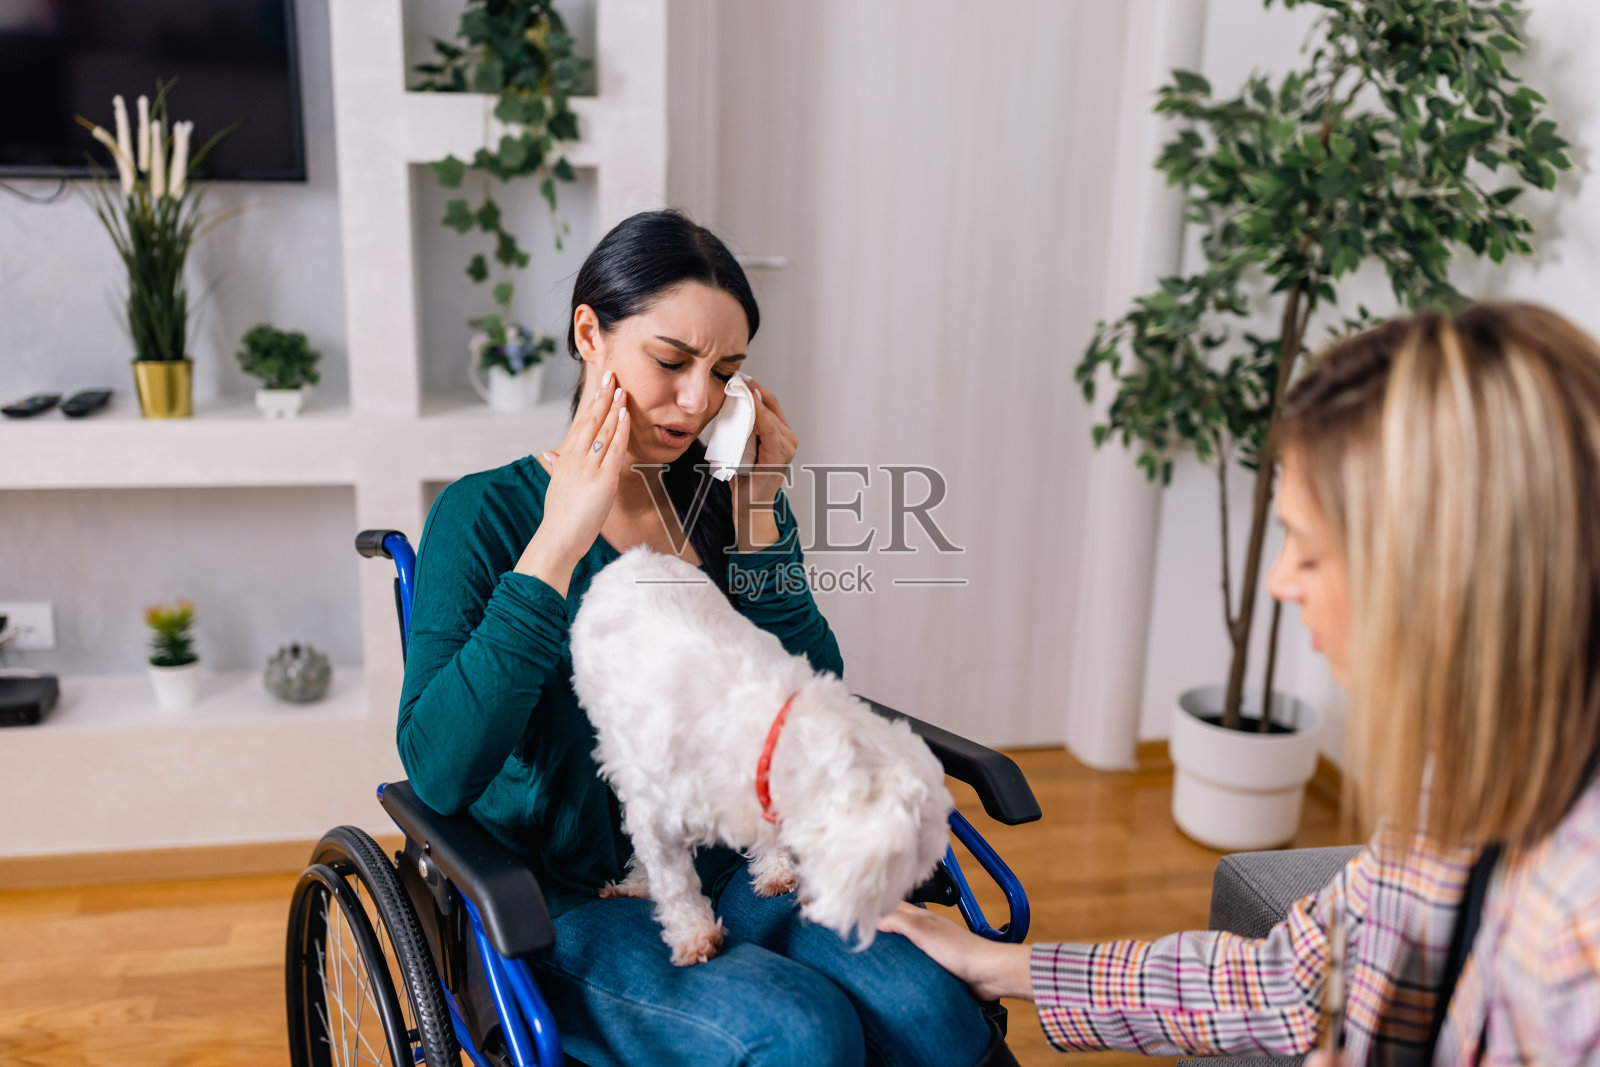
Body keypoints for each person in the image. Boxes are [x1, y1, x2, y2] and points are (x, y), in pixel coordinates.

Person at [882, 302, 1600, 1064]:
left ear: (1443, 576)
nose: (1281, 580)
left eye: (1311, 550)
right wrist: (996, 963)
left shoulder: (1571, 929)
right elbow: (1297, 980)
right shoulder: (1466, 787)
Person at [397, 209, 1006, 1067]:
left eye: (725, 372)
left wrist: (758, 517)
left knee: (936, 1015)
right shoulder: (484, 513)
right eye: (672, 362)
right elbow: (439, 769)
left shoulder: (725, 501)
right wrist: (556, 547)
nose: (698, 401)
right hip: (569, 903)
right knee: (802, 1035)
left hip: (743, 855)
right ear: (589, 334)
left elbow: (812, 686)